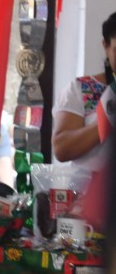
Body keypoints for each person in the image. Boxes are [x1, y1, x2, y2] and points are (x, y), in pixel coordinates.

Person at [52, 11, 116, 171]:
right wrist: (106, 120)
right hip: (89, 185)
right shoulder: (81, 89)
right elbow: (61, 149)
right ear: (106, 46)